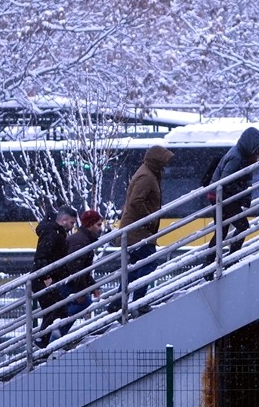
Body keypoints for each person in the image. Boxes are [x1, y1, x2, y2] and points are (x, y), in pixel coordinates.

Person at [116, 144, 174, 313]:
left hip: (137, 232)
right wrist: (149, 219)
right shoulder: (147, 177)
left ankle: (118, 303)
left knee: (135, 267)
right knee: (149, 263)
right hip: (138, 232)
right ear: (157, 161)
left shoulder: (148, 172)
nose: (165, 165)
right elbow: (136, 201)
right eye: (164, 161)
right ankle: (139, 302)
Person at [208, 127, 259, 254]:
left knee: (221, 232)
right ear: (251, 147)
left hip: (220, 196)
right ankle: (232, 258)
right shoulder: (237, 158)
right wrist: (241, 194)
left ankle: (208, 265)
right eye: (258, 149)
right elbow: (225, 182)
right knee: (242, 227)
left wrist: (243, 196)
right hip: (222, 197)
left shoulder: (242, 155)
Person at [54, 209, 104, 340]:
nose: (101, 228)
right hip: (65, 283)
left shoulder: (83, 239)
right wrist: (81, 291)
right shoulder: (81, 241)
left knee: (75, 305)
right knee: (83, 302)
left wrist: (93, 287)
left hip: (65, 281)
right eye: (98, 225)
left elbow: (81, 269)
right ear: (89, 225)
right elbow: (75, 269)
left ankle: (54, 335)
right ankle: (55, 334)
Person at [32, 206, 76, 348]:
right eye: (72, 223)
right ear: (64, 220)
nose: (72, 226)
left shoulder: (55, 232)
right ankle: (43, 342)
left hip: (43, 278)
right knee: (56, 309)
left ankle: (44, 341)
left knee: (55, 309)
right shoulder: (53, 233)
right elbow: (41, 256)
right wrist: (47, 276)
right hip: (43, 279)